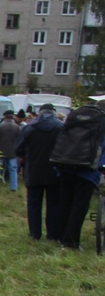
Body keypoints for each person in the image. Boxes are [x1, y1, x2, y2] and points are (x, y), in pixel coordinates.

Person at [53, 101, 105, 250]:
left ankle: (61, 237)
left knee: (65, 204)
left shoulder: (76, 118)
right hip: (88, 170)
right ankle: (71, 242)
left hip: (65, 166)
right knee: (79, 206)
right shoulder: (101, 123)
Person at [14, 102, 64, 242]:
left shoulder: (30, 127)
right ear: (54, 112)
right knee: (54, 204)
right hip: (55, 170)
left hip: (34, 169)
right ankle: (53, 234)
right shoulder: (61, 127)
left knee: (34, 204)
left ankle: (35, 234)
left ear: (40, 112)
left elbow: (18, 149)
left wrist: (29, 155)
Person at [0, 109, 21, 192]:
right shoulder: (17, 127)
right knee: (13, 170)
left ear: (4, 116)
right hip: (12, 153)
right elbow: (20, 140)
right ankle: (13, 187)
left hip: (0, 152)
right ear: (13, 117)